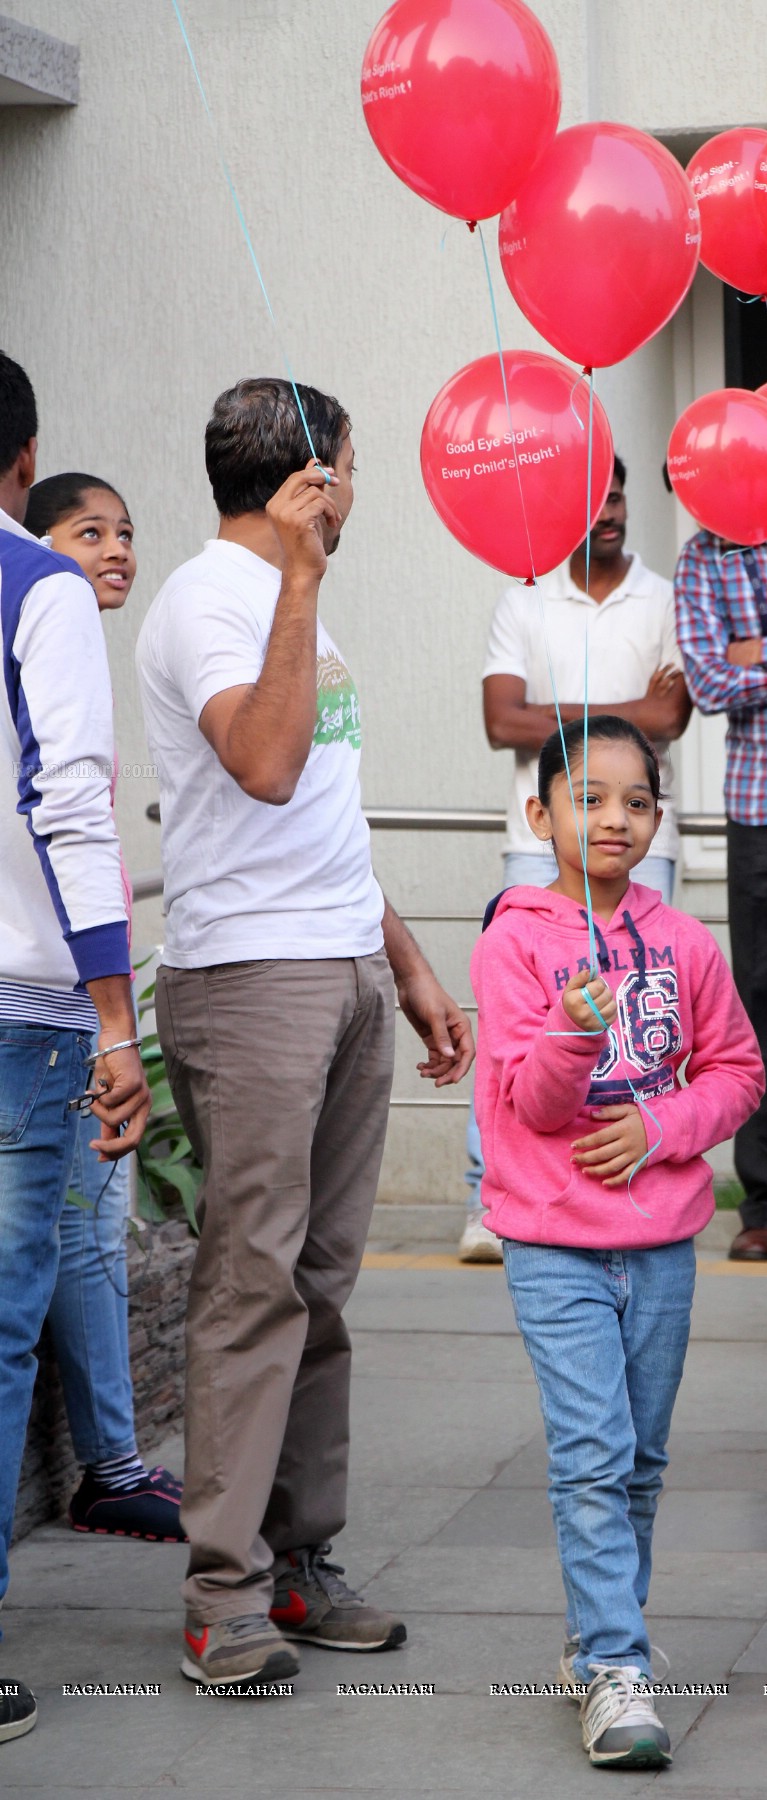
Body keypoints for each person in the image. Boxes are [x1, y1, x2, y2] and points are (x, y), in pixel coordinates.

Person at [136, 377, 474, 1691]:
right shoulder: (208, 602)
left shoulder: (288, 606)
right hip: (249, 981)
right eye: (349, 468)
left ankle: (295, 1564)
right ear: (308, 482)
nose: (359, 491)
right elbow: (264, 765)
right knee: (251, 1289)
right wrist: (299, 578)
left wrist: (405, 964)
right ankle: (218, 1593)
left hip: (335, 959)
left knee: (318, 1294)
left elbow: (319, 813)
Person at [470, 714, 763, 1768]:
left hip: (663, 1241)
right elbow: (533, 1106)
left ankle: (598, 1640)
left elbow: (737, 1072)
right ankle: (616, 1664)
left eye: (637, 802)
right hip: (554, 1242)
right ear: (538, 813)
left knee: (639, 1459)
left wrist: (662, 1127)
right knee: (592, 1453)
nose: (613, 818)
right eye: (587, 797)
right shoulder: (513, 940)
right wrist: (577, 1030)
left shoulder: (685, 942)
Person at [0, 353, 151, 1745]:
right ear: (20, 457)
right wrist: (119, 1021)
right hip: (25, 1008)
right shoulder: (33, 590)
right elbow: (70, 805)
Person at [460, 457, 689, 1263]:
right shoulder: (522, 600)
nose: (608, 512)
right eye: (591, 500)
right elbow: (500, 721)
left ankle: (612, 1177)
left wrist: (555, 721)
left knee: (633, 1012)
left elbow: (677, 717)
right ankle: (491, 1193)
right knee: (520, 1022)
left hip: (642, 851)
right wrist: (628, 720)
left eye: (618, 496)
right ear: (560, 514)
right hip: (537, 849)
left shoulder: (662, 596)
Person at [25, 473, 183, 1544]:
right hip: (54, 999)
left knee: (90, 1223)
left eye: (126, 532)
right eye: (90, 533)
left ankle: (114, 1460)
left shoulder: (79, 660)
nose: (117, 550)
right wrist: (107, 1013)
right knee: (85, 1224)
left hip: (61, 995)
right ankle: (114, 1467)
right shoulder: (41, 625)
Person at [674, 526, 767, 1263]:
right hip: (759, 808)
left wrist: (755, 651)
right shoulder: (703, 556)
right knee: (764, 998)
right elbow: (705, 682)